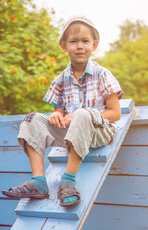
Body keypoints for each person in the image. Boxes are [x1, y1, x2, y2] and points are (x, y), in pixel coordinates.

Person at [2, 16, 123, 207]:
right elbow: (59, 113)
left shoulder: (102, 74)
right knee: (31, 118)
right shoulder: (60, 80)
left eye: (85, 41)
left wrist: (85, 114)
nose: (80, 46)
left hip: (100, 132)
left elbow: (115, 113)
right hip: (73, 135)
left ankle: (67, 181)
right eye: (74, 42)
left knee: (83, 113)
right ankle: (39, 182)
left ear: (95, 45)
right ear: (64, 46)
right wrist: (57, 115)